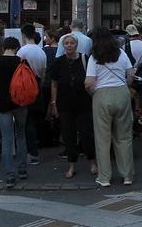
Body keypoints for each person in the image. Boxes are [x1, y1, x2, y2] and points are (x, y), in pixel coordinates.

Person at [84, 26, 135, 187]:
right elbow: (131, 75)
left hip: (102, 94)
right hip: (121, 92)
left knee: (102, 138)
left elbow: (89, 82)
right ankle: (127, 175)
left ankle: (104, 177)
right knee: (124, 136)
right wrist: (125, 86)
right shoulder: (121, 54)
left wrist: (93, 93)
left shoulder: (94, 57)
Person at [50, 33, 98, 178]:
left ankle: (92, 162)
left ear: (76, 45)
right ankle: (71, 165)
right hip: (65, 103)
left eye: (72, 43)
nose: (69, 46)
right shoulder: (58, 62)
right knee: (68, 134)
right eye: (66, 43)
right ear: (63, 46)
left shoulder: (85, 59)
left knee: (86, 133)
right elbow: (54, 84)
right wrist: (53, 103)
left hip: (83, 102)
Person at [0, 37, 29, 189]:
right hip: (21, 103)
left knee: (6, 138)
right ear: (17, 48)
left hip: (4, 104)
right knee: (21, 134)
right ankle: (22, 168)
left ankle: (10, 174)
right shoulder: (22, 61)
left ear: (4, 47)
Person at [17, 23, 47, 164]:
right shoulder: (41, 51)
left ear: (23, 35)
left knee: (26, 121)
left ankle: (31, 152)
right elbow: (43, 74)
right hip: (38, 86)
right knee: (35, 119)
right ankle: (36, 146)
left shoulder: (22, 52)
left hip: (25, 88)